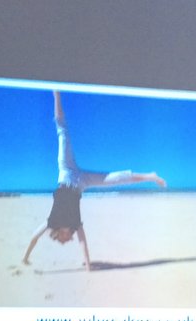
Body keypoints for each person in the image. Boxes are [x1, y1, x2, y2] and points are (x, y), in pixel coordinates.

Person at [22, 89, 165, 270]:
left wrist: (25, 258)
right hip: (82, 183)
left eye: (65, 241)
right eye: (70, 240)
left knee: (63, 132)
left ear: (59, 235)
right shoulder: (75, 225)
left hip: (66, 172)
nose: (70, 240)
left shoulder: (52, 222)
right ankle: (150, 176)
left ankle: (56, 94)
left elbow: (34, 237)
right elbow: (83, 243)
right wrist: (88, 267)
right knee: (115, 179)